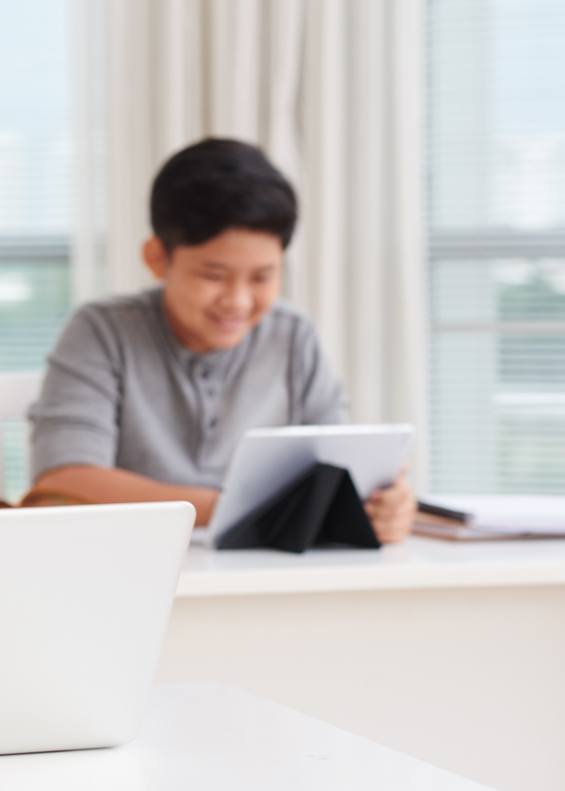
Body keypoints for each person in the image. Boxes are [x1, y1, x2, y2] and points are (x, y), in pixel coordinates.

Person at [28, 138, 414, 540]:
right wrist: (244, 509)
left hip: (261, 581)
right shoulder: (102, 332)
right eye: (213, 276)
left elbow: (340, 475)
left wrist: (381, 507)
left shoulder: (293, 335)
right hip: (129, 569)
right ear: (157, 258)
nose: (238, 301)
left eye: (262, 277)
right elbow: (64, 480)